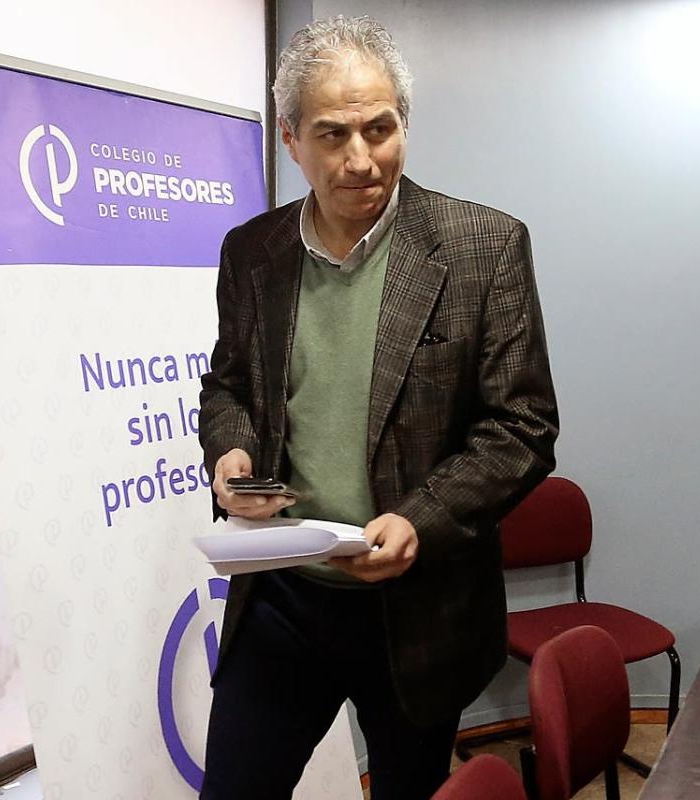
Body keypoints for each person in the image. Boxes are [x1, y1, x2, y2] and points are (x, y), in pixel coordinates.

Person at [198, 15, 559, 800]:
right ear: (291, 139)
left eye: (380, 129)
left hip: (419, 606)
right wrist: (230, 453)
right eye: (333, 135)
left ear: (403, 123)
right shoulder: (252, 252)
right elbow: (228, 386)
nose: (361, 160)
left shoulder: (483, 246)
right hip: (283, 595)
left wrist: (420, 518)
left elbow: (522, 429)